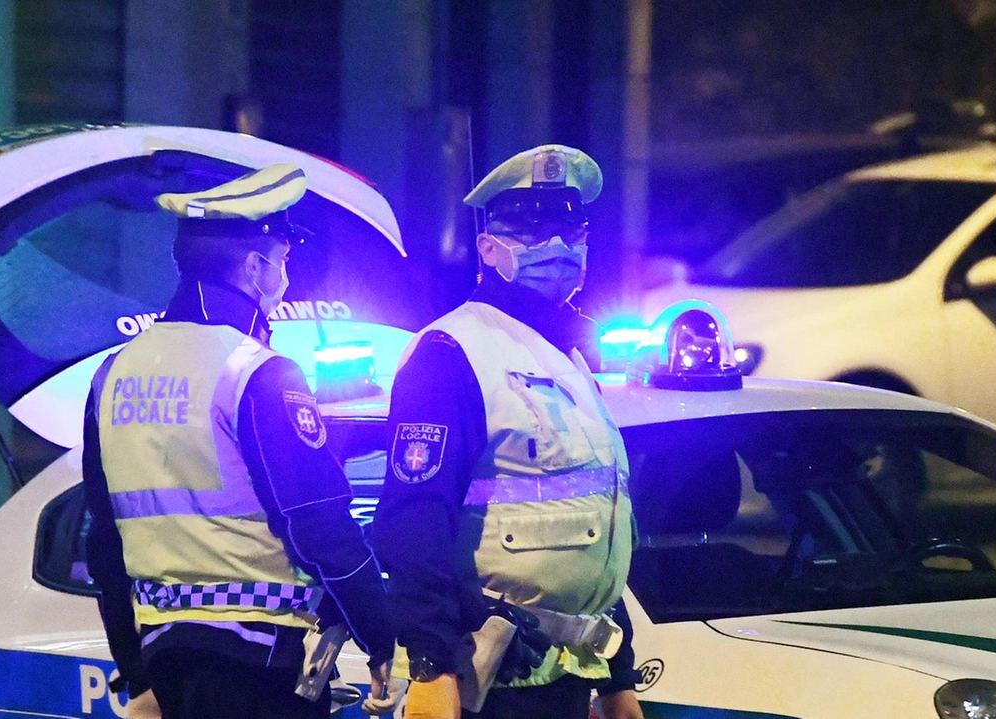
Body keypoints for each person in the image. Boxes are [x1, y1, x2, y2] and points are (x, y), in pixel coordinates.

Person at [82, 163, 403, 719]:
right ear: (254, 266)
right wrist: (378, 635)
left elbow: (104, 542)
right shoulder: (256, 372)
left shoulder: (113, 373)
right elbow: (321, 523)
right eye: (282, 259)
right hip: (259, 671)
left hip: (166, 662)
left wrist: (136, 674)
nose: (285, 273)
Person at [373, 145, 645, 719]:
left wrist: (618, 681)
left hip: (567, 679)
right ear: (490, 248)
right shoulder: (450, 353)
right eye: (538, 231)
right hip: (487, 685)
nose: (561, 247)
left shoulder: (568, 359)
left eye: (573, 230)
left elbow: (593, 527)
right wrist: (430, 668)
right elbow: (411, 521)